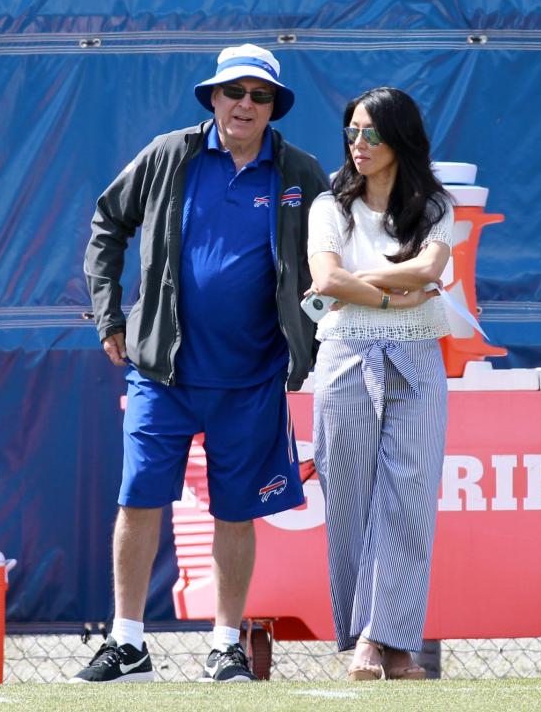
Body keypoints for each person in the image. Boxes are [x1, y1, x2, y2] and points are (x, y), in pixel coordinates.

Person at [77, 44, 328, 683]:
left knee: (235, 510)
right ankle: (127, 642)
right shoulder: (169, 154)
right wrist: (109, 316)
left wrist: (316, 340)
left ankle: (224, 644)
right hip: (162, 370)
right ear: (211, 97)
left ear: (274, 106)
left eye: (259, 95)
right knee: (138, 500)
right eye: (233, 92)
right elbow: (108, 222)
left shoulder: (301, 172)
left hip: (252, 377)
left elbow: (332, 258)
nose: (245, 104)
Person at [306, 86, 453, 681]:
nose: (358, 144)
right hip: (344, 356)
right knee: (348, 502)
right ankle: (380, 642)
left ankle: (381, 641)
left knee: (409, 501)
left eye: (371, 132)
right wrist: (395, 298)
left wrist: (360, 281)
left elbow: (431, 269)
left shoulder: (434, 205)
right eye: (352, 132)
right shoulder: (328, 206)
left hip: (418, 358)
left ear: (400, 138)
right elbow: (325, 278)